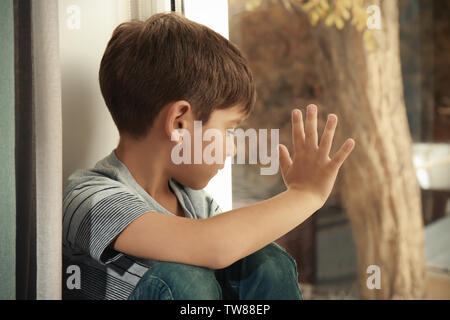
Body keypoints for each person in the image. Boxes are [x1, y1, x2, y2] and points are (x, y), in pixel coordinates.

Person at [62, 12, 355, 300]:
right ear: (179, 122)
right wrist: (306, 195)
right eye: (228, 131)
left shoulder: (193, 203)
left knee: (266, 262)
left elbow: (227, 241)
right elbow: (214, 246)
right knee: (184, 278)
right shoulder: (90, 198)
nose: (233, 147)